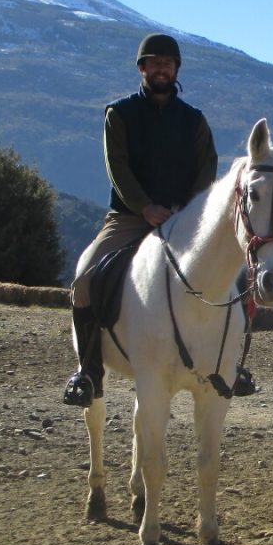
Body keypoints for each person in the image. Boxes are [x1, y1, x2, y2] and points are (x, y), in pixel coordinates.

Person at [63, 33, 219, 407]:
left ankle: (230, 365)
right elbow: (117, 168)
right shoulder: (119, 114)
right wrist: (144, 206)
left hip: (182, 220)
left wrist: (191, 210)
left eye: (168, 62)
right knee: (85, 280)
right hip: (130, 217)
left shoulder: (194, 121)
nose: (162, 67)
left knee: (235, 276)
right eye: (155, 62)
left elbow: (207, 168)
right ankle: (88, 372)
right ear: (142, 68)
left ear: (176, 69)